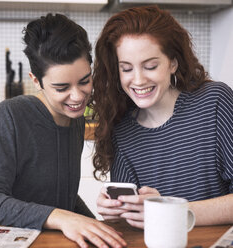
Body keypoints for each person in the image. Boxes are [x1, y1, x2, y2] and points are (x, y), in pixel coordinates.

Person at [0, 13, 126, 248]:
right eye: (61, 87)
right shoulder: (11, 115)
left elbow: (59, 195)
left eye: (84, 81)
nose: (77, 97)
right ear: (36, 81)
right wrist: (63, 217)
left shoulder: (74, 120)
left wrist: (94, 227)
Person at [92, 5, 233, 229]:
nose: (138, 80)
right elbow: (133, 221)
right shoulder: (122, 130)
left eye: (150, 66)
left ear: (173, 63)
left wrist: (170, 211)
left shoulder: (215, 102)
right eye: (126, 69)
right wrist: (115, 212)